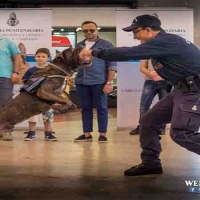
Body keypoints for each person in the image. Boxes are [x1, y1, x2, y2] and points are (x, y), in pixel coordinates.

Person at [78, 14, 200, 176]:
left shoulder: (165, 41)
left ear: (148, 30)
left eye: (136, 32)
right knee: (148, 121)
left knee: (181, 133)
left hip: (195, 89)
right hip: (181, 89)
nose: (135, 36)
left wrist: (93, 52)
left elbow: (128, 53)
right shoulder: (162, 44)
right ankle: (151, 163)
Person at [74, 21, 117, 142]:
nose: (88, 33)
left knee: (101, 108)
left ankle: (102, 134)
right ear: (82, 31)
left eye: (91, 30)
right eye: (85, 30)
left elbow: (112, 65)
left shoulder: (106, 44)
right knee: (85, 108)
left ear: (97, 30)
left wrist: (109, 83)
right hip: (81, 81)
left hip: (99, 82)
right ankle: (86, 134)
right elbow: (74, 62)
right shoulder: (78, 45)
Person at [22, 48, 57, 141]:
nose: (40, 58)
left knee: (48, 116)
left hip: (47, 97)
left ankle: (48, 134)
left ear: (48, 58)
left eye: (43, 57)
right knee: (32, 117)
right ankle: (31, 133)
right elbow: (25, 81)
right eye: (38, 56)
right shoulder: (31, 70)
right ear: (35, 57)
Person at [129, 59, 168, 135]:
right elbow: (142, 67)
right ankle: (143, 127)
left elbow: (172, 67)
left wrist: (161, 74)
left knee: (164, 106)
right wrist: (150, 73)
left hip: (165, 81)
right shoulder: (148, 51)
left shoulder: (168, 51)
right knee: (144, 106)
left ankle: (161, 128)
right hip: (150, 81)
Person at [0, 37, 23, 141]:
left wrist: (16, 72)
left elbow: (17, 57)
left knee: (6, 104)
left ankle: (6, 131)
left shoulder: (7, 41)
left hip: (5, 76)